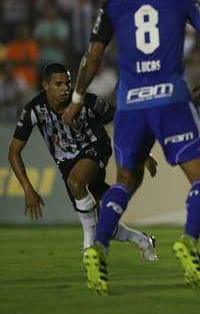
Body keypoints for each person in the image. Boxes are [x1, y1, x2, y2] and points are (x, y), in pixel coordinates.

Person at [62, 0, 200, 294]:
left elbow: (92, 57)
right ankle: (188, 241)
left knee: (125, 181)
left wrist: (76, 99)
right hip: (171, 100)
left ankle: (98, 249)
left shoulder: (114, 1)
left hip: (131, 105)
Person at [8, 63, 159, 261]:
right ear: (45, 85)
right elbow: (13, 152)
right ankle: (143, 241)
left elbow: (120, 120)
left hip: (96, 148)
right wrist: (27, 189)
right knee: (102, 225)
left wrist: (142, 152)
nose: (65, 88)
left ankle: (89, 246)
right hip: (67, 164)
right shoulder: (33, 111)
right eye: (58, 84)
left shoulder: (86, 101)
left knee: (77, 182)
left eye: (68, 83)